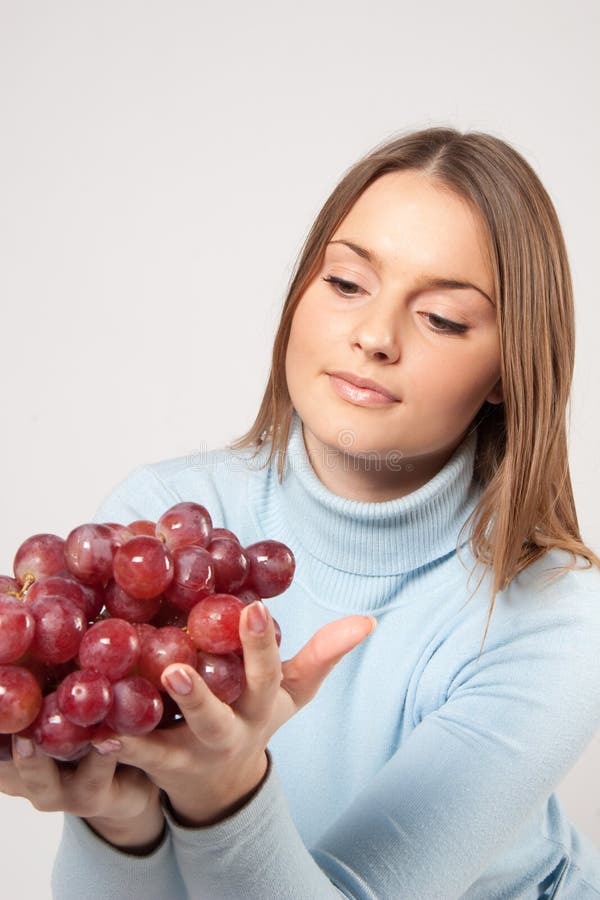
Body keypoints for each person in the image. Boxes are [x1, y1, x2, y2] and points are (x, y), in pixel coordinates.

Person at [2, 125, 600, 899]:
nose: (373, 337)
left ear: (507, 370)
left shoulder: (555, 616)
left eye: (444, 319)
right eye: (348, 284)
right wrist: (119, 827)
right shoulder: (162, 528)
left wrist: (225, 795)